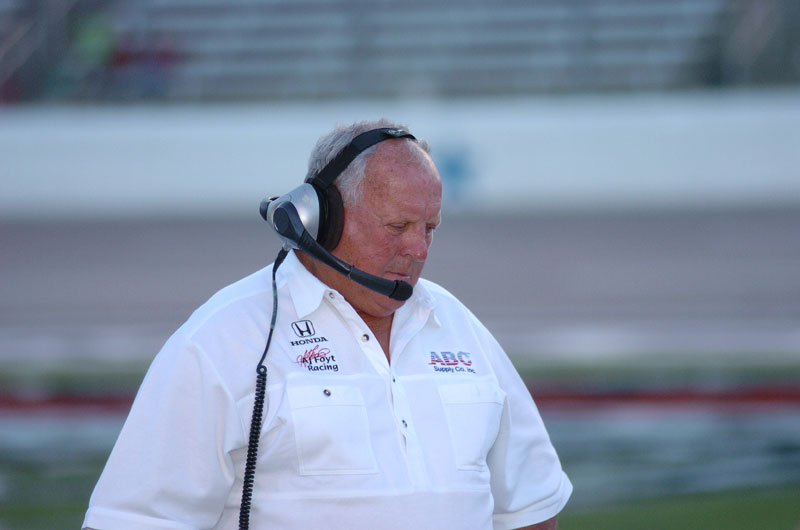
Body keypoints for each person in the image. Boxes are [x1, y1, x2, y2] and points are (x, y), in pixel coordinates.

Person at [83, 119, 572, 530]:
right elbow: (134, 520)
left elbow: (532, 505)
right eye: (397, 227)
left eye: (430, 229)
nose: (419, 251)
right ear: (320, 218)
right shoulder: (223, 341)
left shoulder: (458, 326)